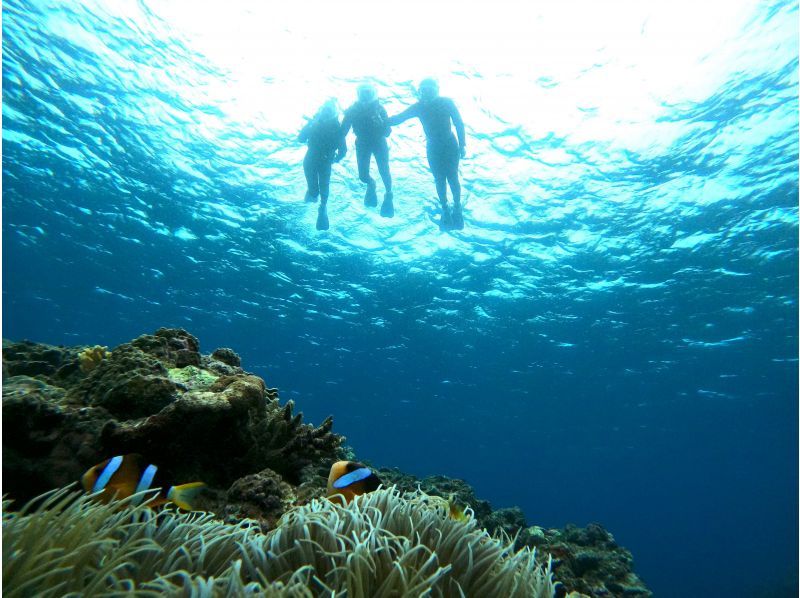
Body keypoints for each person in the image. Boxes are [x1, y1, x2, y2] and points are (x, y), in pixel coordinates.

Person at [387, 78, 466, 230]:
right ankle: (446, 208)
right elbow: (399, 118)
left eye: (431, 90)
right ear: (420, 92)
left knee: (451, 176)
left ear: (437, 90)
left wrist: (462, 144)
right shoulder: (419, 107)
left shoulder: (445, 102)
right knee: (440, 179)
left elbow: (458, 122)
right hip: (435, 146)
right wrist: (383, 120)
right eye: (425, 91)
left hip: (448, 145)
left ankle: (456, 206)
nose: (428, 94)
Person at [340, 83, 394, 217]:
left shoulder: (379, 109)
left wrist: (381, 121)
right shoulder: (352, 110)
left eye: (368, 93)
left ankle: (388, 194)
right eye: (363, 93)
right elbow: (342, 132)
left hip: (379, 142)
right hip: (362, 143)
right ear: (358, 95)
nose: (365, 96)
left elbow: (387, 132)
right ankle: (371, 184)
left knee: (384, 170)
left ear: (373, 94)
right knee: (363, 176)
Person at [298, 99, 346, 231]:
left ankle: (323, 207)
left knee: (324, 187)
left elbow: (343, 150)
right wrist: (310, 124)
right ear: (320, 111)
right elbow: (300, 138)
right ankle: (315, 198)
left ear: (335, 114)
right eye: (325, 111)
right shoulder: (314, 123)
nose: (326, 114)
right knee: (314, 191)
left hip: (324, 161)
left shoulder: (337, 127)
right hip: (312, 159)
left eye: (329, 112)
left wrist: (335, 159)